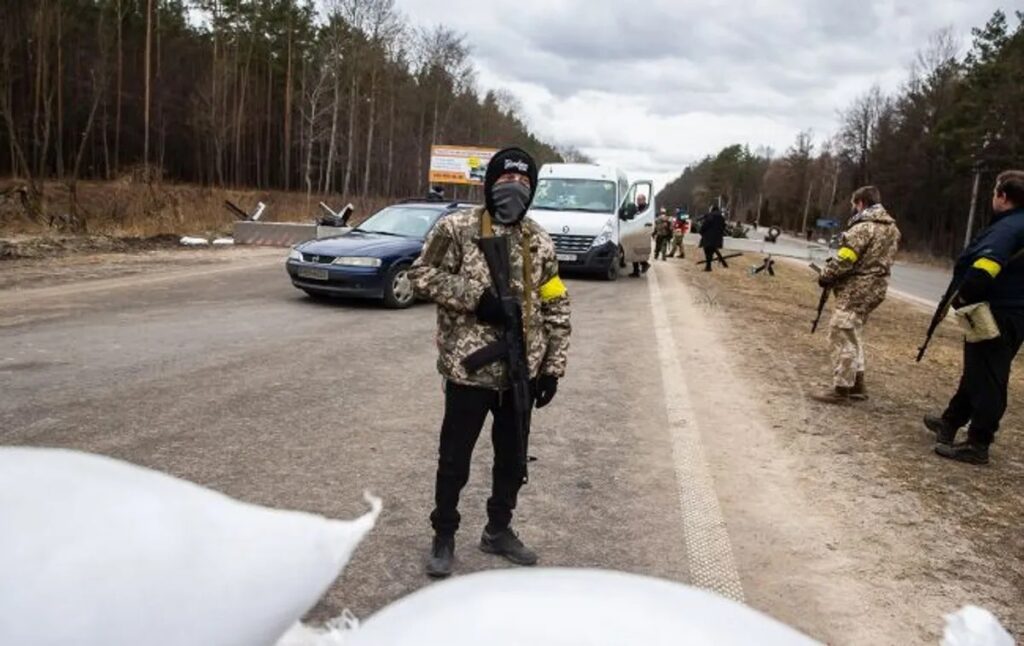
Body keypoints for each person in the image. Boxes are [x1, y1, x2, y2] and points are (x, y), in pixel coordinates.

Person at [409, 147, 573, 578]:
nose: (514, 190)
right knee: (454, 460)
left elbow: (556, 303)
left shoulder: (539, 240)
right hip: (469, 371)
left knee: (512, 460)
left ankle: (498, 530)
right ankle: (443, 534)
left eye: (523, 184)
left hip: (521, 373)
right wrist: (477, 300)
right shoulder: (457, 228)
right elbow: (421, 274)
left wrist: (552, 367)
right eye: (505, 182)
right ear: (489, 185)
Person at [925, 170, 1024, 465]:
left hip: (999, 312)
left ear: (1003, 197)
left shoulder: (1008, 228)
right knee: (977, 371)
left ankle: (978, 442)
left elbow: (986, 266)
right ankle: (951, 420)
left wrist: (965, 297)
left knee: (990, 376)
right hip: (1012, 310)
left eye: (995, 193)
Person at [811, 186, 900, 404]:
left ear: (860, 203)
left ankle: (842, 388)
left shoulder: (862, 228)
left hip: (856, 288)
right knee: (853, 332)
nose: (853, 209)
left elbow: (845, 258)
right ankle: (858, 384)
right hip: (876, 289)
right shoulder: (892, 230)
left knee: (841, 333)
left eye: (854, 204)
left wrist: (826, 274)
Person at [629, 194, 652, 277]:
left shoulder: (646, 209)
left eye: (639, 199)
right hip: (636, 231)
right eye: (637, 199)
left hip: (642, 232)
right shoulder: (637, 208)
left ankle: (642, 266)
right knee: (634, 251)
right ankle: (639, 268)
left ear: (644, 200)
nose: (638, 201)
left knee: (636, 251)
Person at [698, 205, 728, 271]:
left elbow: (705, 226)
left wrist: (701, 232)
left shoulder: (710, 216)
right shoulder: (722, 218)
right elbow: (723, 227)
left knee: (707, 252)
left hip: (708, 237)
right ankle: (709, 266)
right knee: (712, 251)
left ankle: (708, 267)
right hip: (717, 238)